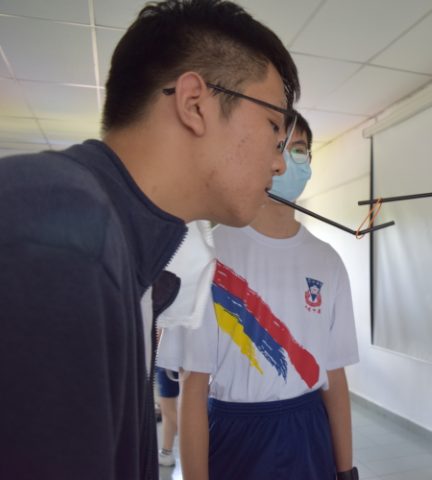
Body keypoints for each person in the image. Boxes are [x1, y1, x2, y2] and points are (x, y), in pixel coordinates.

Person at [0, 0, 299, 478]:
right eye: (273, 128)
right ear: (195, 103)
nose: (280, 163)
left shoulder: (128, 250)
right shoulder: (58, 230)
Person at [159, 113, 360, 480]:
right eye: (279, 145)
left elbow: (335, 376)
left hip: (309, 430)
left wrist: (346, 471)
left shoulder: (328, 261)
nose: (288, 160)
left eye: (300, 149)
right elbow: (193, 386)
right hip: (236, 433)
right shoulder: (208, 256)